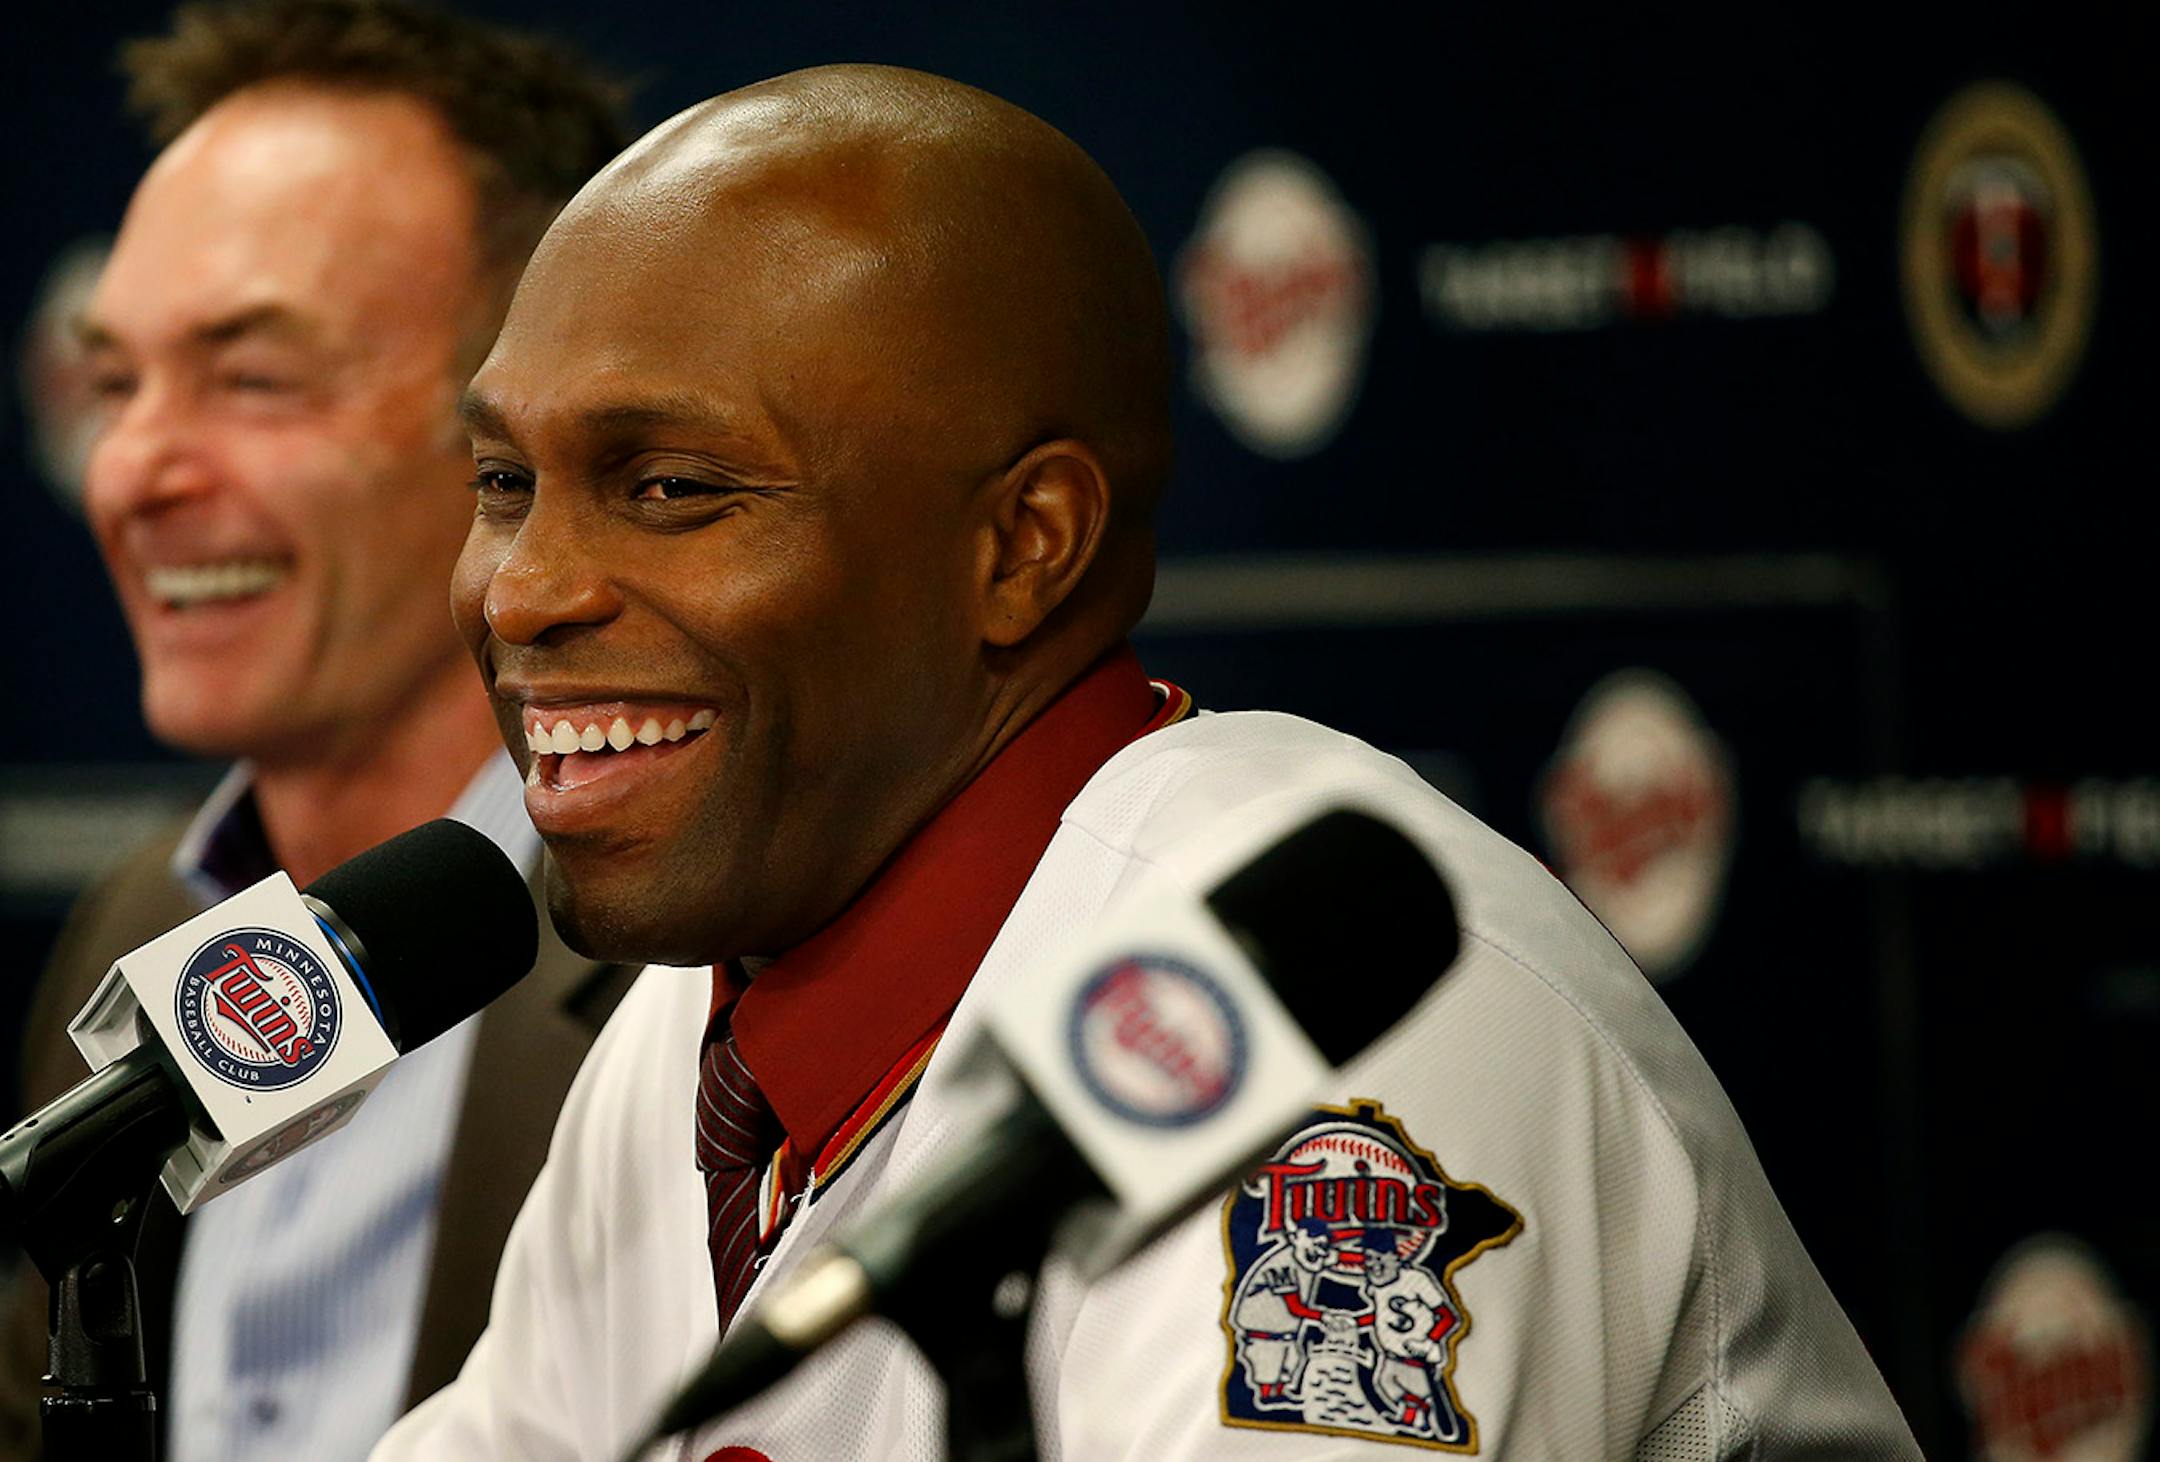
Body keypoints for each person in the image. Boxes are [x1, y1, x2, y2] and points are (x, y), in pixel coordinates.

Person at [376, 64, 1922, 1459]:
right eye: (506, 479)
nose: (522, 589)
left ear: (1022, 547)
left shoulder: (1313, 1011)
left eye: (669, 486)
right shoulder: (687, 1036)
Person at [0, 4, 633, 1460]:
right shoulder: (135, 921)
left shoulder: (711, 950)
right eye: (114, 383)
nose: (134, 469)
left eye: (253, 377)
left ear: (528, 431)